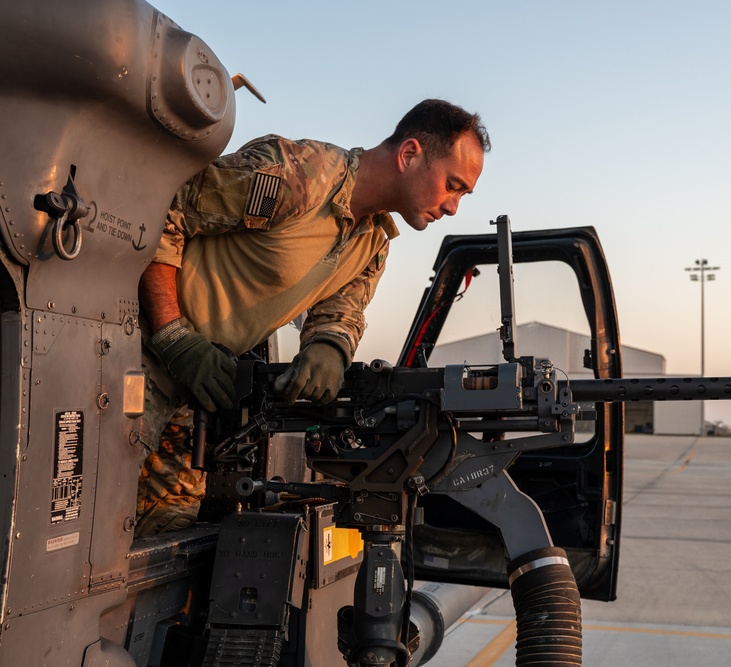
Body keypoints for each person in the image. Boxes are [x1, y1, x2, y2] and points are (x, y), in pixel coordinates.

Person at [135, 99, 490, 537]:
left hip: (197, 392)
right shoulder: (299, 176)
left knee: (162, 535)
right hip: (133, 354)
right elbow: (160, 209)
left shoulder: (374, 243)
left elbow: (341, 312)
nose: (453, 206)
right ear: (409, 154)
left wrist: (329, 348)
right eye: (453, 185)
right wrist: (173, 334)